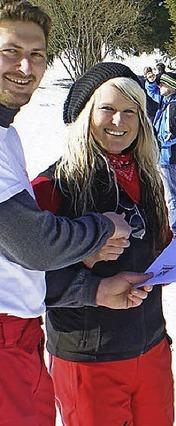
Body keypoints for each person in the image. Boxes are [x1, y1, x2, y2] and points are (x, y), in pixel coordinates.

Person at [0, 3, 138, 425]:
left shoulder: (7, 135)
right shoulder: (55, 178)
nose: (26, 66)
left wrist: (92, 291)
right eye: (11, 50)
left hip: (21, 335)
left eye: (38, 54)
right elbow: (33, 245)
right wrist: (101, 228)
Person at [31, 62, 174, 426]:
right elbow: (24, 281)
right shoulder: (53, 186)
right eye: (107, 109)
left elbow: (153, 254)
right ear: (85, 114)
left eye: (131, 112)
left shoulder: (147, 178)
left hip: (151, 346)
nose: (119, 121)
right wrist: (87, 267)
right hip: (89, 358)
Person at [145, 70, 176, 234]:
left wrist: (156, 142)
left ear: (172, 87)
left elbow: (173, 133)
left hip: (169, 155)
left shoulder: (175, 106)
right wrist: (151, 81)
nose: (159, 86)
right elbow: (152, 93)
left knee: (172, 194)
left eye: (162, 83)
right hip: (167, 155)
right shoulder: (168, 100)